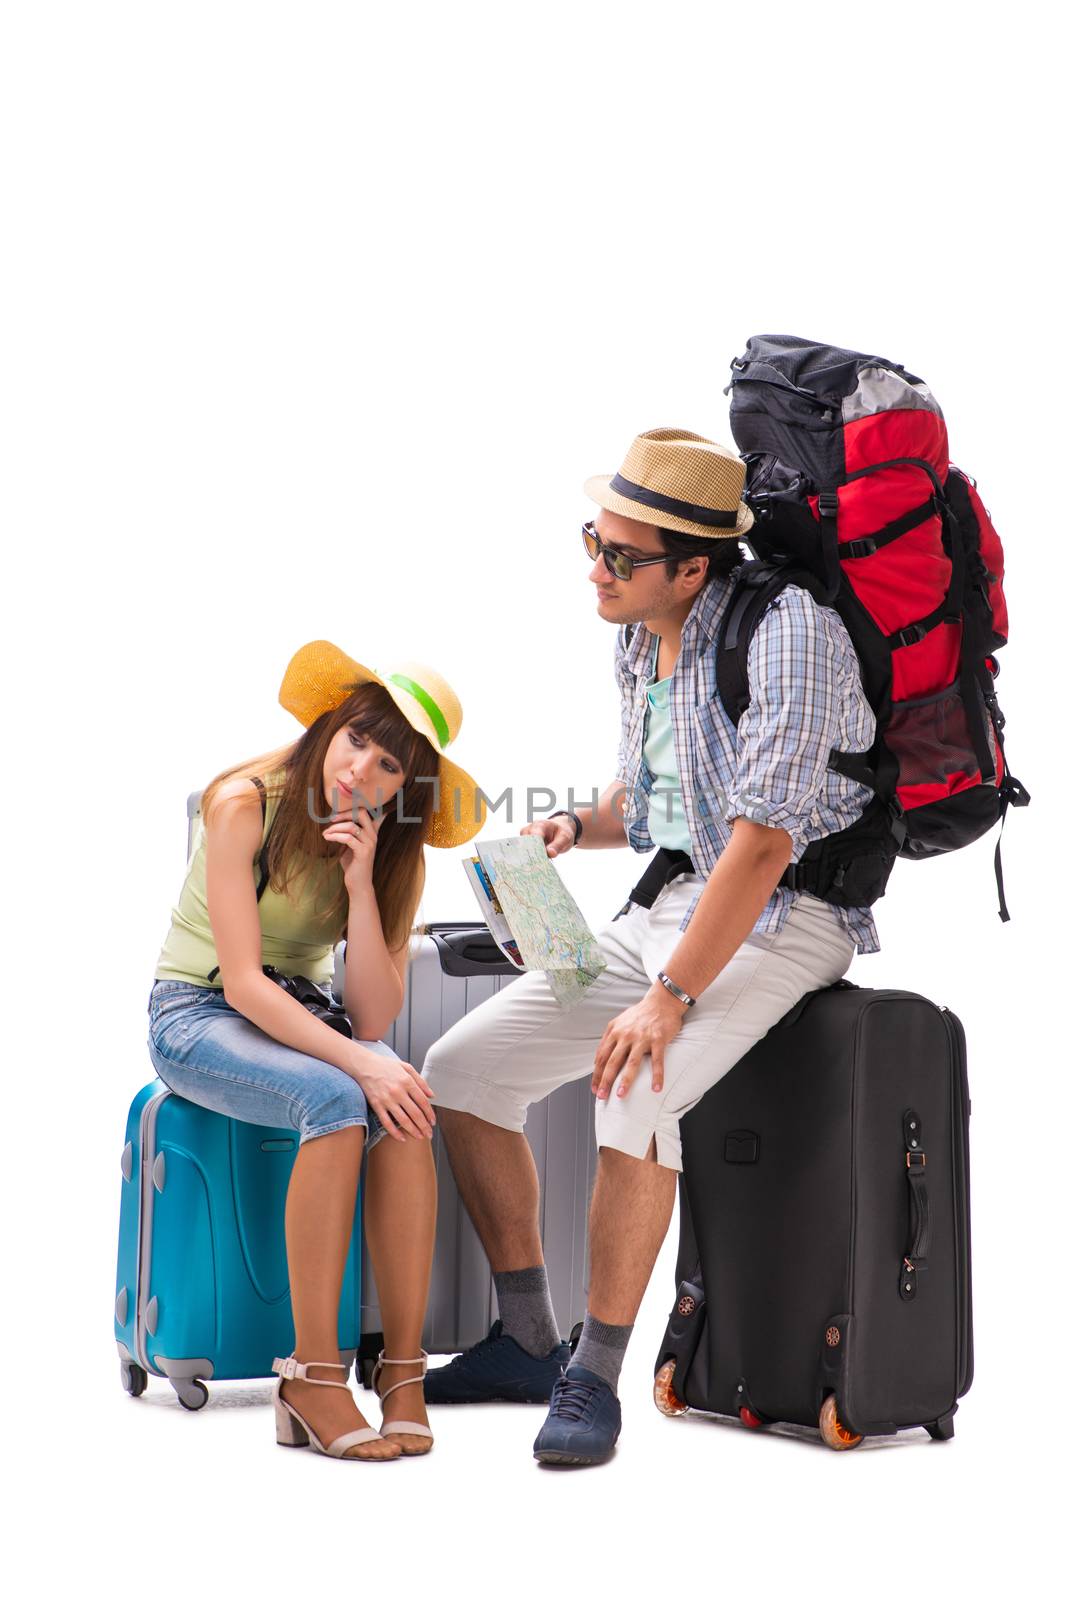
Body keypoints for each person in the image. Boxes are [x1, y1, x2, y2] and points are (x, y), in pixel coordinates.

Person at [421, 429, 880, 1466]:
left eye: (619, 556)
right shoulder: (642, 631)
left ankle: (596, 1377)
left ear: (694, 565)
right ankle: (531, 1338)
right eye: (595, 540)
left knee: (636, 1083)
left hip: (785, 916)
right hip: (672, 903)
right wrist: (575, 829)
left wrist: (669, 994)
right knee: (461, 1071)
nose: (596, 568)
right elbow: (668, 794)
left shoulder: (789, 635)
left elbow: (761, 845)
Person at [147, 640, 483, 1462]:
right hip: (198, 1013)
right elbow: (240, 984)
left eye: (391, 766)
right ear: (332, 724)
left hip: (304, 1012)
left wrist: (364, 886)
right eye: (358, 740)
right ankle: (312, 1376)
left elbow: (369, 1011)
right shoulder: (243, 803)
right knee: (343, 1096)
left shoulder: (391, 849)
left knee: (404, 1104)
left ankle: (402, 1373)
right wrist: (360, 1062)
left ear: (408, 788)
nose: (362, 770)